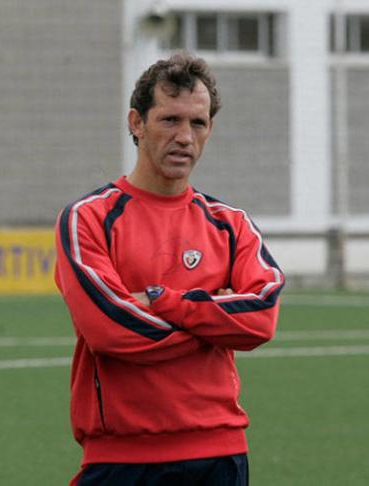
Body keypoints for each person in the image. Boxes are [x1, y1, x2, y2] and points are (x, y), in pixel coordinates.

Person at [54, 51, 285, 486]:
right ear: (136, 123)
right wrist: (213, 320)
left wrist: (165, 301)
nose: (184, 136)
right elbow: (110, 329)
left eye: (197, 123)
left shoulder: (231, 224)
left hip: (220, 454)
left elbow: (261, 315)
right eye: (169, 120)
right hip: (122, 458)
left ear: (210, 130)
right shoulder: (88, 217)